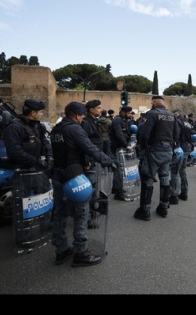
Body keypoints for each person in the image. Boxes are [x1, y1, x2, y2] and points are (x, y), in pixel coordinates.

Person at [49, 101, 115, 267]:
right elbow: (89, 148)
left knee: (59, 213)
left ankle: (61, 250)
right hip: (74, 177)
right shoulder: (74, 128)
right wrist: (108, 161)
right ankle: (81, 253)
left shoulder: (56, 129)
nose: (82, 119)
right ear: (77, 115)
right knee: (81, 213)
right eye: (81, 116)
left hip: (58, 174)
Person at [2, 99, 54, 247]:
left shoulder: (38, 126)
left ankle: (45, 226)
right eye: (40, 112)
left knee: (44, 198)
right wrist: (36, 161)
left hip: (38, 171)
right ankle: (23, 237)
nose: (42, 114)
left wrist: (49, 157)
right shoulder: (15, 127)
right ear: (33, 113)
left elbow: (46, 143)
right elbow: (14, 152)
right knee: (23, 204)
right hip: (23, 172)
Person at [133, 95, 175, 221]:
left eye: (152, 102)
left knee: (148, 179)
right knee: (164, 178)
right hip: (167, 150)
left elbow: (146, 134)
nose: (151, 104)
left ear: (155, 102)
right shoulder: (171, 114)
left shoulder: (153, 113)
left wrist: (142, 149)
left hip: (155, 150)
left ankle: (145, 210)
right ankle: (163, 208)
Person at [81, 100, 104, 228]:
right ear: (91, 109)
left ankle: (92, 212)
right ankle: (87, 218)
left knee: (94, 188)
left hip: (95, 159)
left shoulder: (93, 121)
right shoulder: (86, 123)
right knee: (89, 190)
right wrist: (87, 160)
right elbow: (85, 143)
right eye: (98, 108)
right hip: (90, 161)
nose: (101, 109)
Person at [169, 109, 193, 204]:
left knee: (175, 171)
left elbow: (176, 135)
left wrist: (174, 146)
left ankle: (174, 195)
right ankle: (184, 193)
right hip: (187, 147)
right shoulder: (187, 122)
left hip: (180, 148)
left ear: (176, 114)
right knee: (182, 170)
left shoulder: (177, 121)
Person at [110, 106, 134, 201]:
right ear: (123, 112)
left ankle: (116, 188)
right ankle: (118, 192)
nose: (130, 115)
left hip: (121, 147)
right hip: (116, 148)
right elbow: (119, 134)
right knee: (119, 170)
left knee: (119, 169)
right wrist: (126, 145)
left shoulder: (125, 121)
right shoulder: (117, 120)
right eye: (129, 113)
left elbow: (126, 134)